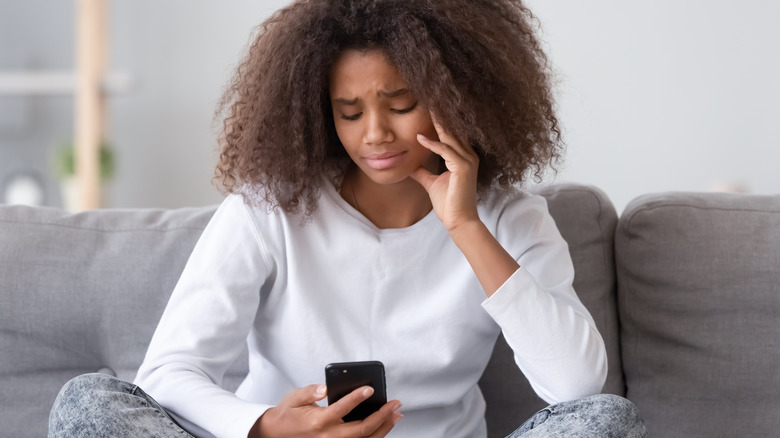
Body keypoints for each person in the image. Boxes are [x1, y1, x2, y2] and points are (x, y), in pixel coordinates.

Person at [49, 0, 647, 437]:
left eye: (401, 103)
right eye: (349, 111)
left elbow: (577, 391)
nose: (376, 134)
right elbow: (168, 373)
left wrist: (465, 227)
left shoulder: (513, 217)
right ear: (319, 112)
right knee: (89, 405)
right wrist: (263, 426)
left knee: (606, 423)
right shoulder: (267, 210)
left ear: (458, 94)